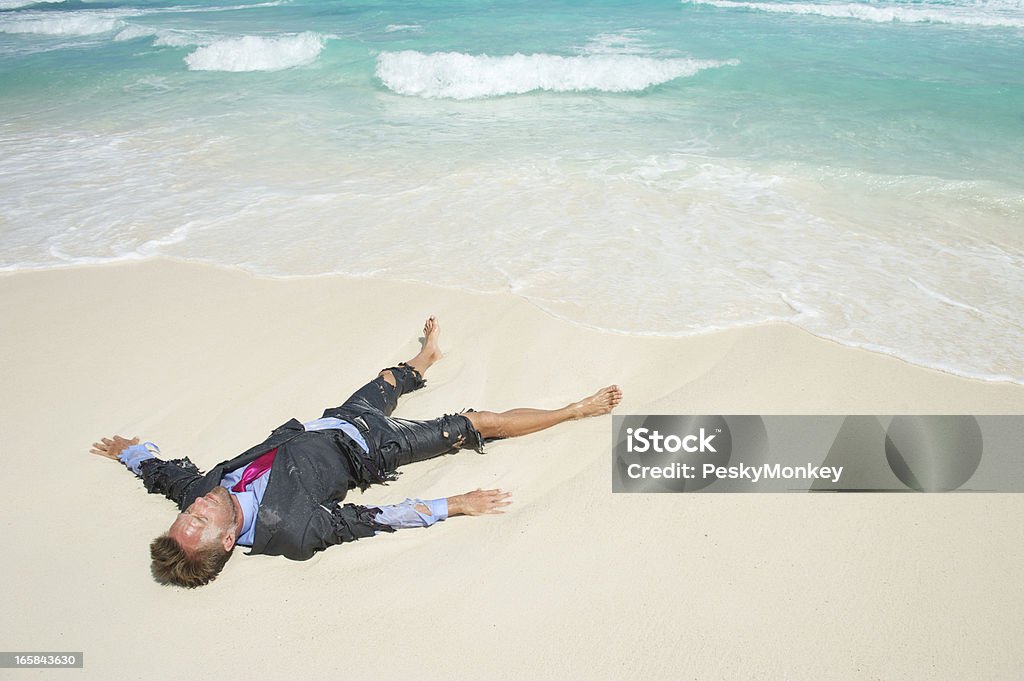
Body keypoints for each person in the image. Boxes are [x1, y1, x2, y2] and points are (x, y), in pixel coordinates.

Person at [90, 316, 622, 588]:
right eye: (199, 520)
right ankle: (574, 410)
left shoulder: (203, 493)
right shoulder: (293, 531)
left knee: (389, 379)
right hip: (375, 447)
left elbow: (163, 475)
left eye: (189, 512)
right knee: (476, 422)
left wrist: (131, 453)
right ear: (229, 539)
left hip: (334, 419)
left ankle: (426, 357)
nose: (196, 506)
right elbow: (372, 519)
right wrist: (455, 504)